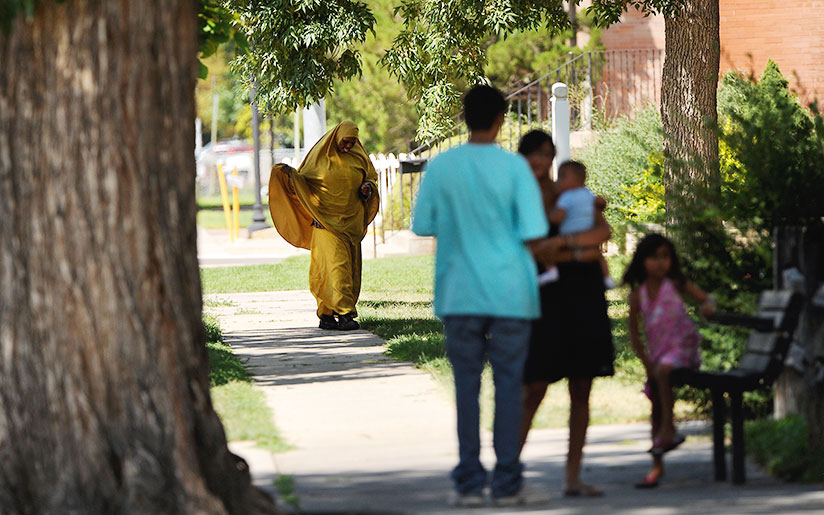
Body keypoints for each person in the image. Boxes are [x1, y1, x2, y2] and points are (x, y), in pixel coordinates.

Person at [412, 86, 551, 507]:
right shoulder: (515, 170)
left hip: (459, 291)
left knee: (466, 387)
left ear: (464, 116)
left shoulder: (441, 166)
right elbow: (533, 230)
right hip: (511, 291)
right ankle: (507, 481)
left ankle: (469, 482)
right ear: (501, 119)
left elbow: (422, 225)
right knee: (509, 386)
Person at [517, 130, 614, 498]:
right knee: (535, 387)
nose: (541, 161)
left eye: (547, 154)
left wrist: (567, 247)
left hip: (585, 292)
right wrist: (575, 251)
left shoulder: (568, 193)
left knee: (582, 385)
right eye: (534, 154)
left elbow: (603, 230)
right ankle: (508, 472)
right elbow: (532, 251)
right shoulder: (519, 198)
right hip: (547, 296)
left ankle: (573, 477)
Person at [623, 233, 715, 488]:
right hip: (658, 355)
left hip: (683, 350)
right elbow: (634, 335)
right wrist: (645, 362)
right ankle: (656, 467)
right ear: (642, 261)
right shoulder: (637, 296)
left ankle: (670, 428)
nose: (661, 263)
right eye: (654, 257)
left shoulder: (675, 284)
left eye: (665, 257)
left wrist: (708, 306)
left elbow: (707, 298)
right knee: (655, 399)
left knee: (664, 371)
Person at [268, 121, 379, 331]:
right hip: (325, 224)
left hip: (351, 225)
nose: (348, 147)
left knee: (349, 271)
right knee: (334, 269)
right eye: (345, 142)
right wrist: (288, 175)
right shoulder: (318, 160)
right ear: (336, 138)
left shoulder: (359, 157)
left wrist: (368, 187)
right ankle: (344, 315)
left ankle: (327, 314)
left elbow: (371, 178)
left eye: (352, 142)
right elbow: (303, 183)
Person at [539, 160, 616, 290]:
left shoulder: (567, 196)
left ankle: (551, 270)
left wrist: (549, 216)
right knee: (599, 256)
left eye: (563, 176)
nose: (559, 180)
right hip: (588, 234)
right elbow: (599, 204)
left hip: (569, 234)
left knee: (551, 250)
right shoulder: (588, 193)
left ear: (578, 179)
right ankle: (607, 278)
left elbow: (558, 218)